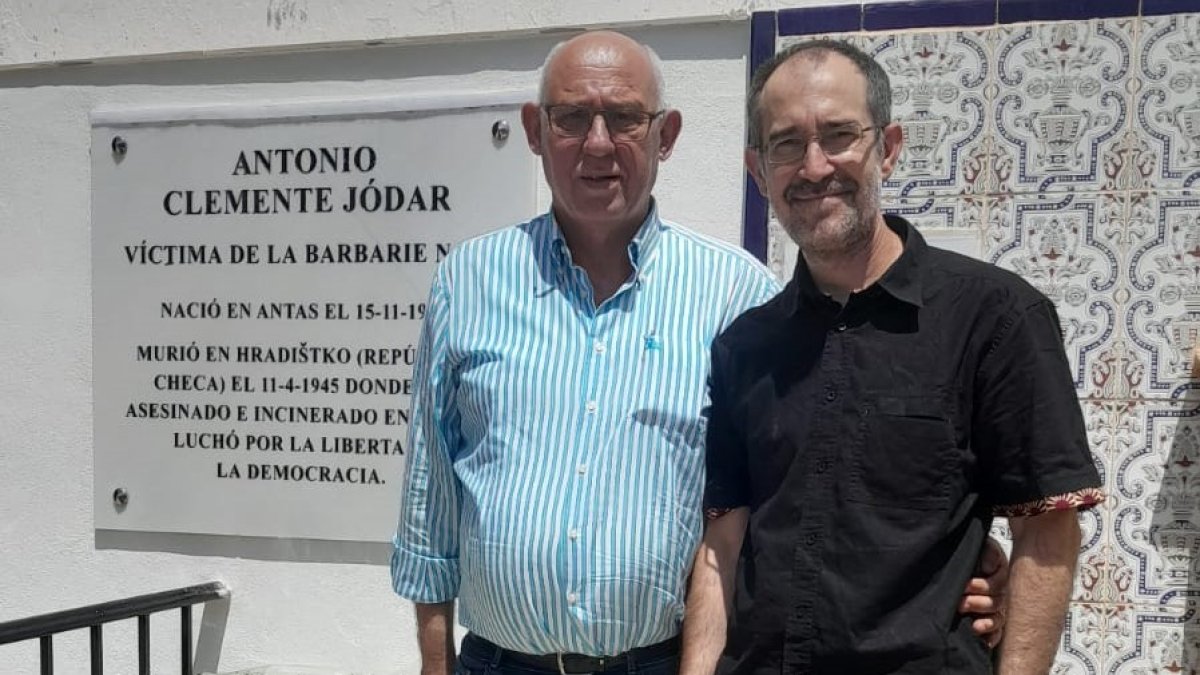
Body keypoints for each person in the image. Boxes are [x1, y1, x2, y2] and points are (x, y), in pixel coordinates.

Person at [391, 31, 1006, 675]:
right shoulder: (469, 281)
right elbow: (430, 501)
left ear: (667, 135)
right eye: (571, 117)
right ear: (535, 131)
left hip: (663, 661)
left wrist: (958, 557)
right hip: (497, 663)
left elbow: (801, 480)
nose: (597, 143)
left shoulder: (736, 295)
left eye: (626, 117)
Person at [684, 39, 1106, 675]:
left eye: (839, 134)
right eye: (786, 143)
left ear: (888, 146)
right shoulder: (746, 346)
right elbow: (724, 542)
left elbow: (1046, 530)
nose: (815, 164)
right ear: (757, 169)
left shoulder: (996, 318)